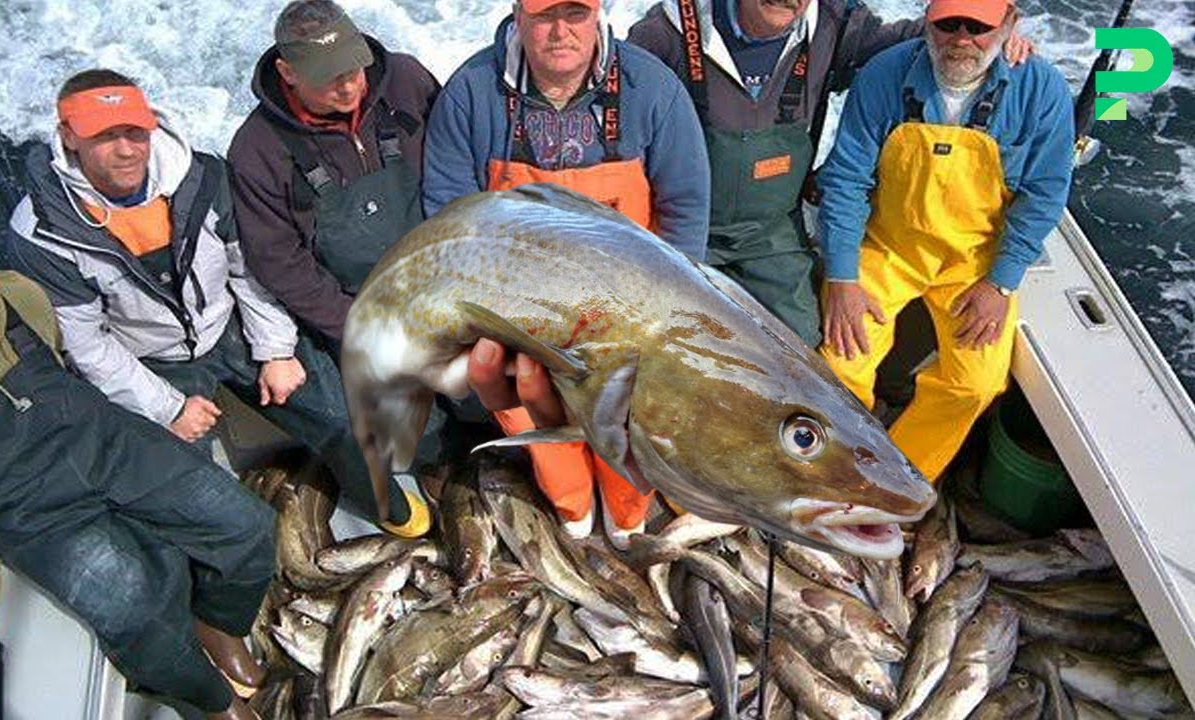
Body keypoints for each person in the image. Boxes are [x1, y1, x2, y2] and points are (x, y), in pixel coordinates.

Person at [8, 69, 428, 537]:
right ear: (68, 137)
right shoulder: (42, 231)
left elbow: (249, 269)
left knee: (343, 418)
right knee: (185, 482)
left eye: (134, 132)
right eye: (104, 137)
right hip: (148, 358)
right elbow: (87, 344)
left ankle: (381, 499)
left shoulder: (203, 176)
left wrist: (275, 350)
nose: (126, 150)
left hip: (231, 327)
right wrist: (166, 407)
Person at [0, 215, 272, 720]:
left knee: (248, 524)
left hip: (107, 444)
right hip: (34, 509)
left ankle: (219, 623)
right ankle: (207, 698)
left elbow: (66, 361)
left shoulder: (25, 297)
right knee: (133, 610)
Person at [421, 0, 711, 548]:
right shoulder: (472, 91)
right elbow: (451, 213)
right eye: (543, 17)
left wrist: (672, 310)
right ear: (517, 15)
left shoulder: (654, 88)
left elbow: (686, 205)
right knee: (529, 408)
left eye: (575, 14)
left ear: (599, 14)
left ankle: (627, 520)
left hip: (629, 304)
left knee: (633, 419)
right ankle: (572, 515)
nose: (560, 32)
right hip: (518, 306)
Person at [628, 0, 1032, 348]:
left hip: (772, 234)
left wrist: (997, 36)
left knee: (801, 346)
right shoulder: (665, 33)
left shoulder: (834, 24)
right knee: (668, 340)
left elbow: (931, 41)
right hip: (679, 227)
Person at [815, 0, 1074, 483]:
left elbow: (1045, 192)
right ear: (927, 21)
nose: (961, 38)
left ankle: (897, 479)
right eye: (948, 23)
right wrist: (842, 276)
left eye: (978, 27)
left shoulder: (1042, 88)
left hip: (977, 262)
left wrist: (1000, 283)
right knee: (840, 361)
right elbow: (846, 179)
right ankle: (837, 472)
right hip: (891, 248)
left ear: (1009, 24)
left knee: (977, 383)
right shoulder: (884, 74)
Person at [226, 0, 445, 534]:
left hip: (440, 277)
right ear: (287, 73)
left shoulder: (408, 81)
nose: (349, 87)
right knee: (413, 436)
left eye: (353, 68)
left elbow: (453, 163)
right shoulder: (256, 151)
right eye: (329, 80)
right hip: (353, 306)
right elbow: (280, 263)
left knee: (497, 393)